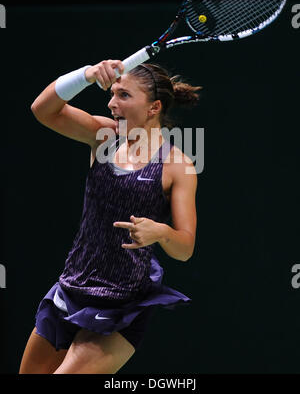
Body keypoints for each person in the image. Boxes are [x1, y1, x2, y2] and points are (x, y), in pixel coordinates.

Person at [19, 60, 202, 374]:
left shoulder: (177, 165)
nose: (111, 102)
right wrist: (87, 74)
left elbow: (184, 248)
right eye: (113, 93)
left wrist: (160, 232)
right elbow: (43, 109)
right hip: (70, 290)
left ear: (153, 107)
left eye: (124, 96)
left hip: (122, 306)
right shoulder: (105, 136)